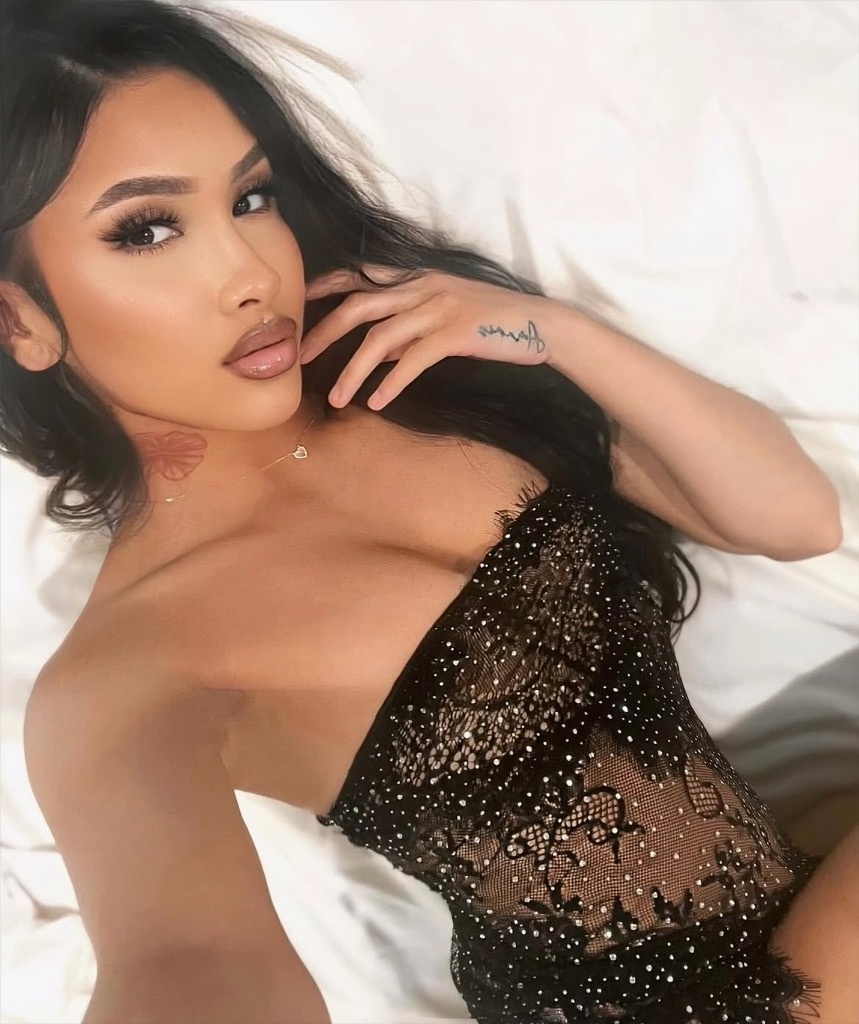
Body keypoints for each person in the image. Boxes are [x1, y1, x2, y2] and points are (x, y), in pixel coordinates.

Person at [1, 1, 856, 1022]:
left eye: (252, 197)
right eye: (146, 229)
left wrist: (551, 332)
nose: (250, 274)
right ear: (18, 319)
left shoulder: (418, 382)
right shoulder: (121, 681)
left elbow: (795, 520)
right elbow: (188, 961)